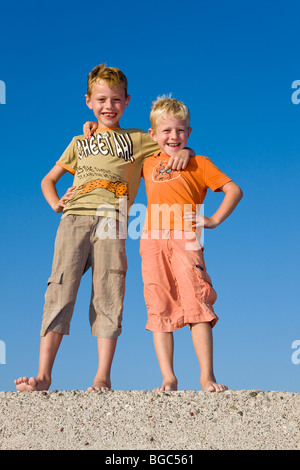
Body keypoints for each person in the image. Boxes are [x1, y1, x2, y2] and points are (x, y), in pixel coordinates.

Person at [14, 65, 193, 392]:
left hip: (113, 222)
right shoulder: (80, 141)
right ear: (88, 101)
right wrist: (55, 202)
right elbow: (48, 179)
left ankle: (102, 377)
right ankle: (43, 375)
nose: (108, 106)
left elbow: (170, 141)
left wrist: (187, 151)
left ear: (126, 101)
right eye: (101, 100)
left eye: (115, 99)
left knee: (109, 294)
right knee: (60, 290)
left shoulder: (138, 138)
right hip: (74, 219)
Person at [140, 96, 243, 392]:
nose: (174, 137)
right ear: (154, 135)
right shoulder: (147, 163)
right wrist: (93, 126)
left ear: (189, 132)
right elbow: (125, 138)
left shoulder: (199, 163)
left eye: (181, 131)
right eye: (167, 131)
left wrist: (213, 220)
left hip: (185, 239)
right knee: (159, 307)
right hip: (152, 242)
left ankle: (206, 376)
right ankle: (168, 378)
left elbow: (233, 190)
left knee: (197, 302)